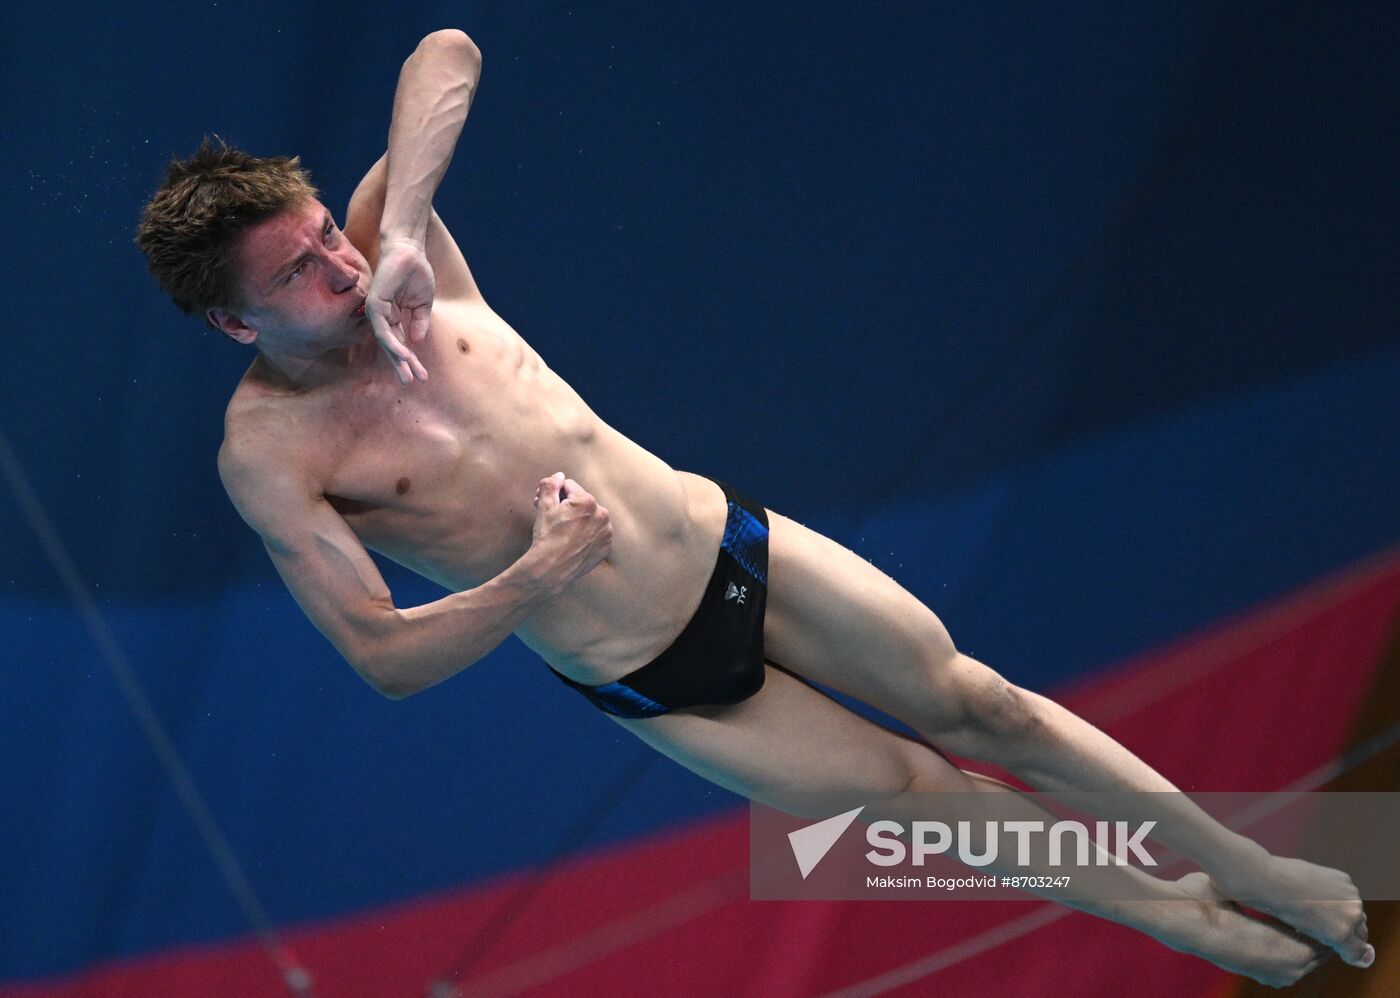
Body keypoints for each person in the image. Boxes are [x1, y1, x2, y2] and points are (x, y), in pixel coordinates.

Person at [135, 29, 1371, 987]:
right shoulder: (272, 453)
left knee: (982, 705)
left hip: (728, 540)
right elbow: (382, 659)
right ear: (235, 323)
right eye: (301, 270)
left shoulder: (396, 261)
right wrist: (533, 576)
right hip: (655, 672)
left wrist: (399, 224)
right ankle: (1190, 924)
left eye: (322, 235)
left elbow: (446, 50)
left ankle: (1252, 861)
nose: (336, 265)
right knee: (927, 799)